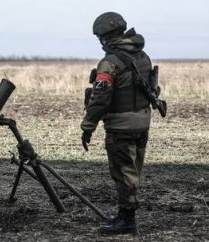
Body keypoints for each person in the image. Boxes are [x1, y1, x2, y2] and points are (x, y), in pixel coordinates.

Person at [81, 12, 153, 234]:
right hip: (142, 122)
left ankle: (127, 220)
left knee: (123, 173)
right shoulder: (142, 57)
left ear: (105, 37)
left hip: (121, 126)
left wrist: (87, 127)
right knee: (133, 171)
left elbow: (100, 99)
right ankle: (124, 214)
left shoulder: (109, 63)